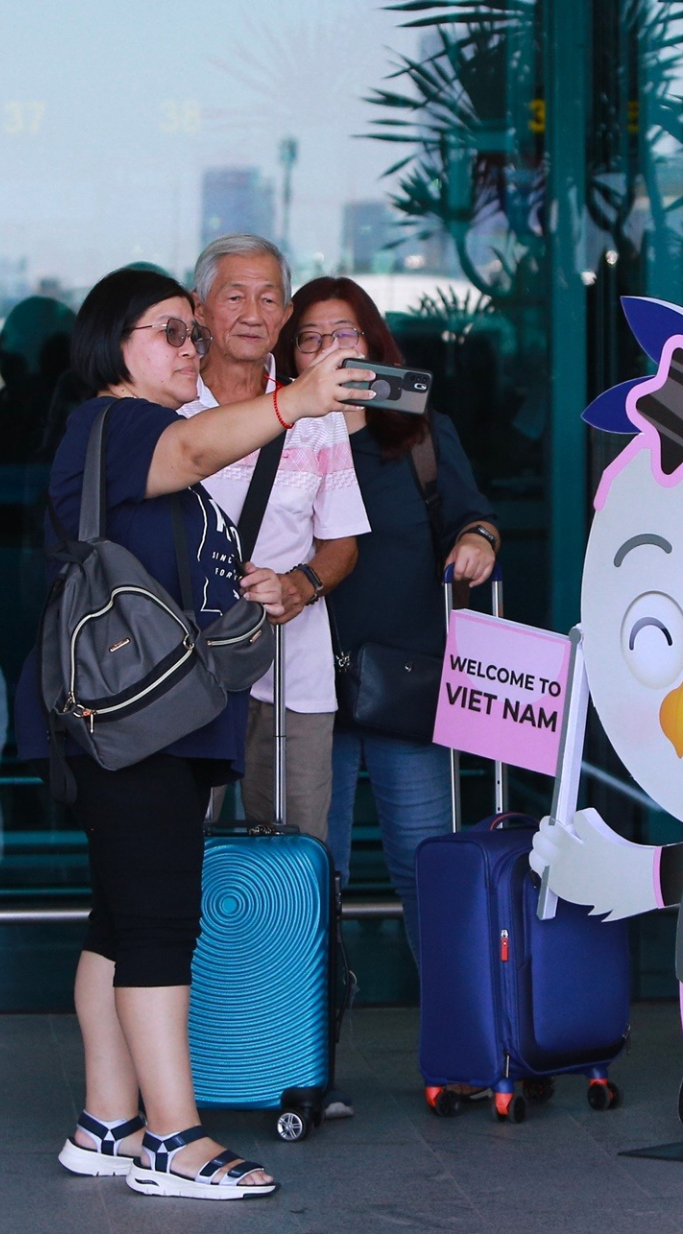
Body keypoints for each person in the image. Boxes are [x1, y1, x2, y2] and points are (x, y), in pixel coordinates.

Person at [15, 266, 371, 1200]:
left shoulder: (137, 436)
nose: (190, 348)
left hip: (153, 723)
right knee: (160, 923)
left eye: (191, 334)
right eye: (170, 331)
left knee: (123, 920)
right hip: (134, 726)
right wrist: (298, 400)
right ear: (113, 342)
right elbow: (192, 448)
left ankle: (107, 1123)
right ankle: (173, 1139)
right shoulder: (117, 424)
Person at [282, 278, 498, 961]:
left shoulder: (420, 434)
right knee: (310, 874)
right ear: (291, 356)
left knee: (425, 865)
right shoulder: (274, 437)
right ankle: (302, 1022)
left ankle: (455, 1020)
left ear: (373, 344)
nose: (328, 349)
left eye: (344, 333)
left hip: (407, 684)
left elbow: (473, 516)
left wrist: (478, 541)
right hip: (304, 685)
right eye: (311, 337)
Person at [181, 235, 368, 848]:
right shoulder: (168, 410)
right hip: (181, 668)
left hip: (291, 670)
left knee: (293, 849)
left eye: (268, 299)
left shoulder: (317, 413)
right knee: (174, 850)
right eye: (234, 296)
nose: (252, 313)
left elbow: (342, 543)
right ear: (199, 308)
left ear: (286, 315)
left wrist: (300, 585)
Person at [0, 296, 75, 839]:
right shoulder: (50, 410)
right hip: (29, 581)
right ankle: (44, 836)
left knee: (22, 712)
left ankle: (25, 838)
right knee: (49, 717)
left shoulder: (7, 405)